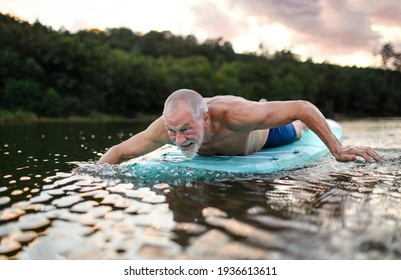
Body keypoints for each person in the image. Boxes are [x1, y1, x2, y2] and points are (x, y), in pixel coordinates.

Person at [98, 89, 380, 164]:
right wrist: (89, 178)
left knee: (295, 127)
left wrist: (338, 149)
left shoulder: (234, 116)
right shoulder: (167, 127)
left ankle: (267, 108)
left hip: (265, 138)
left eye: (186, 129)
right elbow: (119, 151)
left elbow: (301, 108)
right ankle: (263, 103)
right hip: (248, 120)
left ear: (205, 118)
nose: (178, 139)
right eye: (173, 131)